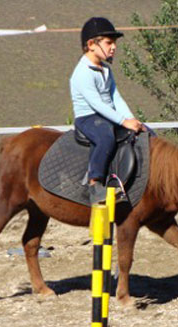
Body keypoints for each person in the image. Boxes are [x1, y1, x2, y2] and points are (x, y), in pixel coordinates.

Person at [69, 17, 146, 203]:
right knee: (105, 136)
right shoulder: (82, 73)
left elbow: (115, 97)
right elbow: (97, 104)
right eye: (109, 42)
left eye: (114, 43)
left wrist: (131, 119)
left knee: (142, 133)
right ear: (91, 44)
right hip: (88, 117)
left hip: (106, 115)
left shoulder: (105, 69)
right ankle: (94, 184)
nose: (114, 47)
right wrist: (122, 121)